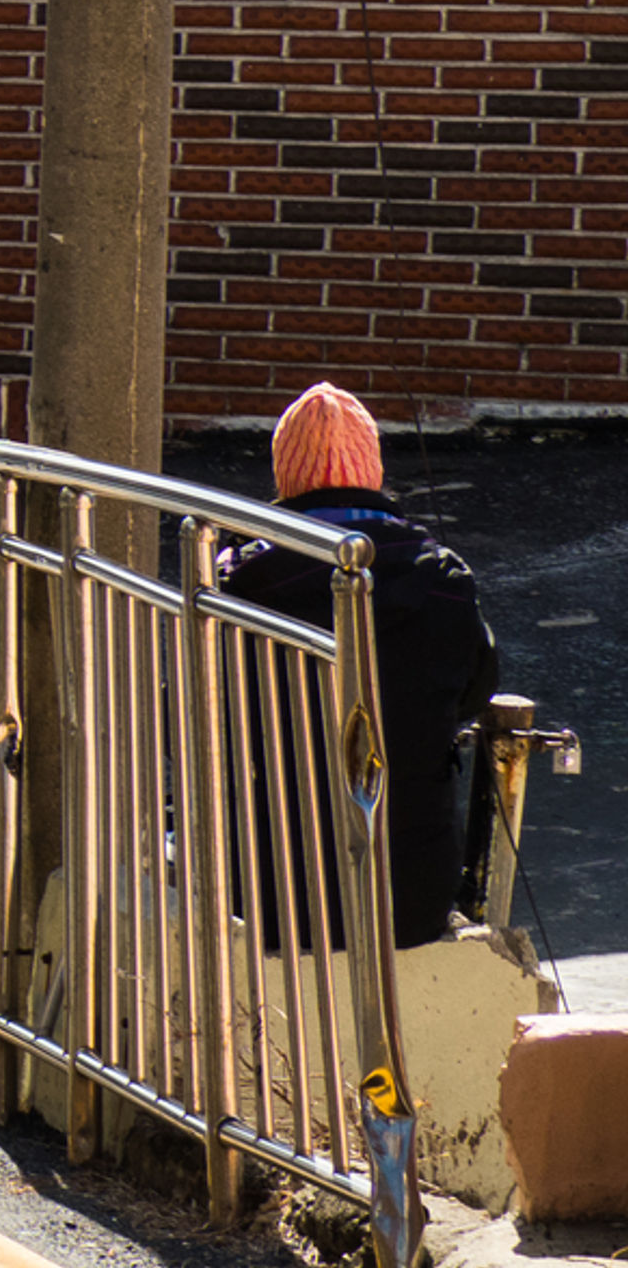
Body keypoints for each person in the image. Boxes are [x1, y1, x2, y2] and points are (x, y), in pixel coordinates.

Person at [213, 381, 501, 948]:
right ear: (372, 470)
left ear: (284, 477)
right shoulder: (443, 578)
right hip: (409, 900)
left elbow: (186, 720)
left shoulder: (237, 584)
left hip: (269, 896)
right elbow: (477, 691)